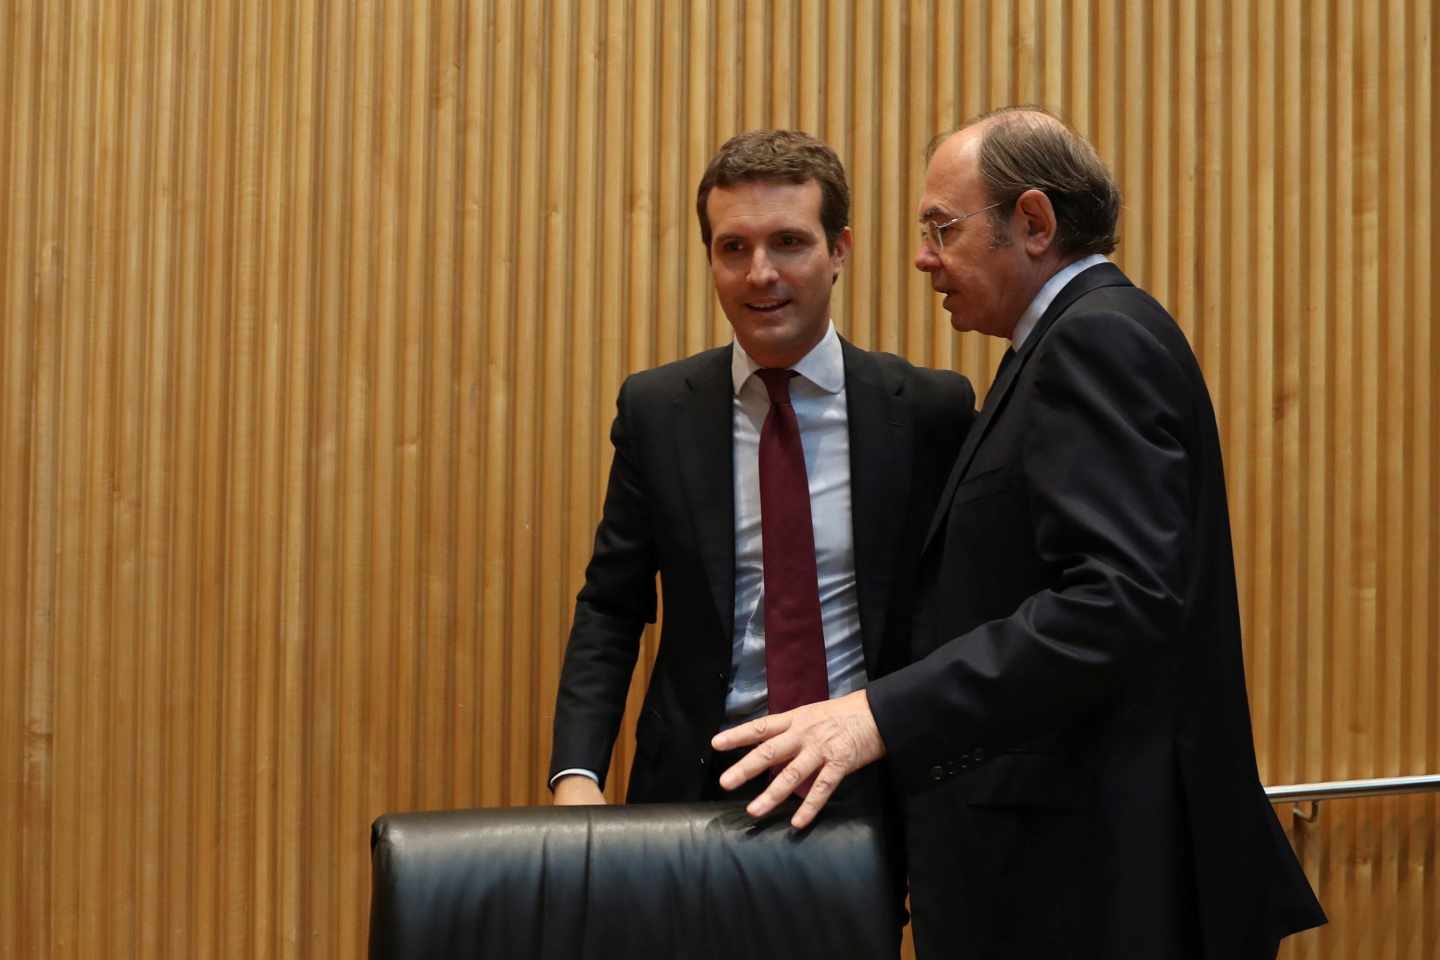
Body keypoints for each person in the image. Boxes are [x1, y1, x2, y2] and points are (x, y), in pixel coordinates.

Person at [712, 107, 1326, 958]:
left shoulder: (1096, 339)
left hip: (1105, 883)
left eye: (942, 228)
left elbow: (1117, 600)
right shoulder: (1066, 343)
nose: (924, 256)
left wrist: (877, 714)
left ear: (1033, 223)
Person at [549, 129, 975, 808]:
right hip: (696, 790)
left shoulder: (929, 412)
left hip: (876, 792)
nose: (760, 274)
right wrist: (577, 773)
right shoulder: (658, 412)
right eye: (733, 248)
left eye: (789, 242)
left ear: (839, 251)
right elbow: (611, 605)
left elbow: (968, 614)